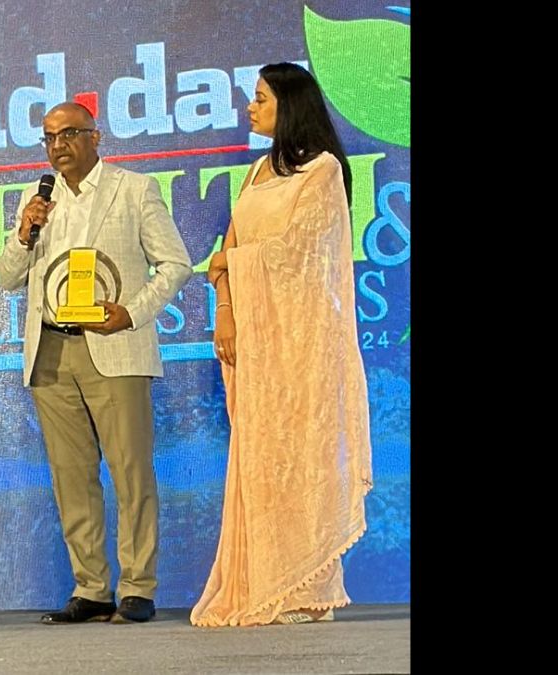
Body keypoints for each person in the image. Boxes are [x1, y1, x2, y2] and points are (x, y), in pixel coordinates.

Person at [191, 63, 373, 627]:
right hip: (253, 338)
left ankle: (307, 589)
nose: (251, 107)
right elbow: (227, 254)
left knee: (303, 455)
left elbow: (301, 255)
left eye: (261, 98)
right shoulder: (255, 171)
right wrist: (226, 313)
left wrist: (232, 262)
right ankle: (263, 585)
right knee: (261, 458)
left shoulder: (322, 171)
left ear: (289, 105)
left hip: (302, 342)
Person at [0, 102, 192, 625]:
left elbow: (176, 264)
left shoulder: (134, 190)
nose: (58, 145)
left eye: (69, 134)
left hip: (114, 345)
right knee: (71, 475)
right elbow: (7, 276)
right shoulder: (38, 199)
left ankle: (138, 587)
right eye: (49, 137)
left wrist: (132, 313)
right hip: (51, 349)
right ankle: (91, 588)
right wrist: (24, 233)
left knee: (131, 471)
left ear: (95, 137)